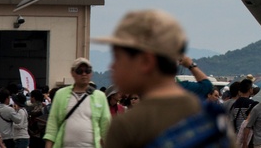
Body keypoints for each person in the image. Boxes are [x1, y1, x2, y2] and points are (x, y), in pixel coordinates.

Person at [96, 8, 234, 148]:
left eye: (118, 57)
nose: (112, 66)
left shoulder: (126, 126)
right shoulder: (213, 119)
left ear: (146, 62)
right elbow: (206, 85)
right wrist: (191, 65)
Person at [43, 58, 110, 148]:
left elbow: (106, 127)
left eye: (87, 70)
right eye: (80, 71)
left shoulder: (100, 96)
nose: (84, 74)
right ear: (72, 73)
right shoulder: (60, 94)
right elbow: (52, 125)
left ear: (91, 73)